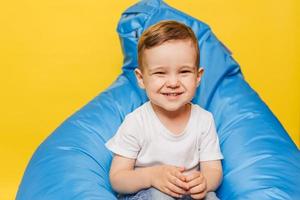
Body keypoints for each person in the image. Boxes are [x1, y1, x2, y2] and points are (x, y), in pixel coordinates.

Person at [105, 20, 223, 200]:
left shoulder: (204, 120)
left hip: (187, 193)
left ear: (198, 77)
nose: (173, 83)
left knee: (210, 196)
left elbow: (213, 169)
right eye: (160, 73)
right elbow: (118, 178)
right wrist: (151, 176)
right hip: (146, 192)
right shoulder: (137, 122)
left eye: (184, 72)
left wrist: (204, 181)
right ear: (141, 78)